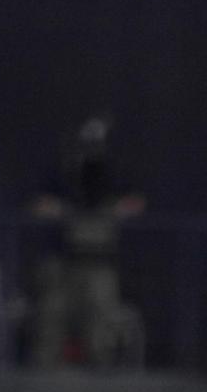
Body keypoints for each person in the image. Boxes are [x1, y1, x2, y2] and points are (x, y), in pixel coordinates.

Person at [29, 114, 145, 368]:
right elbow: (39, 204)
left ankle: (101, 386)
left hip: (100, 263)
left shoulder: (115, 172)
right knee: (52, 321)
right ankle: (45, 383)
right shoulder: (62, 171)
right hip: (62, 262)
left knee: (101, 328)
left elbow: (136, 202)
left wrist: (110, 212)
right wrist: (65, 212)